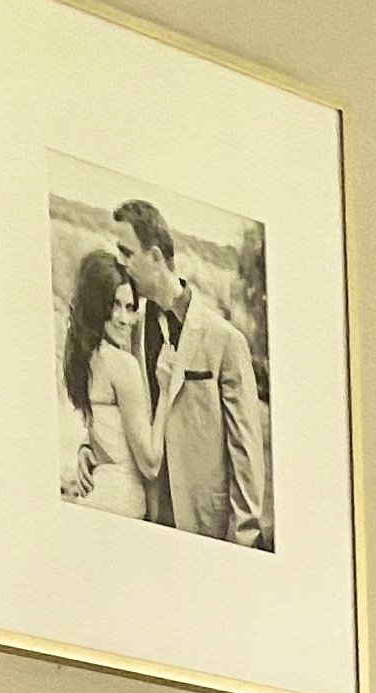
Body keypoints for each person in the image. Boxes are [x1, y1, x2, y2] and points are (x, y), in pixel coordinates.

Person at [111, 198, 265, 549]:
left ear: (154, 257)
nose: (121, 263)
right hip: (146, 521)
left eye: (127, 252)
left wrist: (243, 542)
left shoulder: (226, 341)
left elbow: (246, 452)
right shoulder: (129, 328)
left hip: (203, 528)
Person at [60, 248, 162, 517]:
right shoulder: (120, 364)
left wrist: (86, 447)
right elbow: (151, 465)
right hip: (121, 501)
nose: (124, 318)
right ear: (97, 305)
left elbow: (106, 428)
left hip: (97, 494)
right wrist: (169, 388)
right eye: (114, 305)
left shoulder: (85, 357)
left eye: (130, 308)